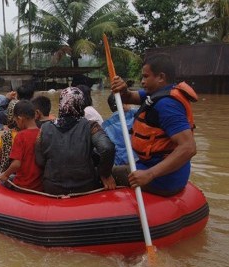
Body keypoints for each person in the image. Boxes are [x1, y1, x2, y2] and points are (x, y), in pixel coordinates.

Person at [111, 53, 198, 196]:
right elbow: (130, 96)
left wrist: (149, 174)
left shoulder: (167, 105)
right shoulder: (157, 94)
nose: (142, 81)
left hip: (163, 179)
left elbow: (189, 148)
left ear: (161, 77)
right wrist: (123, 89)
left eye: (146, 76)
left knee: (105, 174)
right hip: (152, 166)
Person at [35, 87, 116, 195]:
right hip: (86, 187)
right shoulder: (91, 126)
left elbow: (40, 160)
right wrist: (105, 173)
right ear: (81, 104)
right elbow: (107, 148)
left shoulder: (44, 128)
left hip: (53, 187)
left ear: (61, 104)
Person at [0, 100, 43, 192]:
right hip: (39, 185)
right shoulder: (42, 133)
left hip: (23, 185)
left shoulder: (21, 136)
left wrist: (5, 175)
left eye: (16, 121)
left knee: (1, 182)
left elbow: (16, 164)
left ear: (20, 119)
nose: (16, 124)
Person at [102, 93, 138, 165]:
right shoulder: (136, 116)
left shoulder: (105, 126)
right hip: (139, 160)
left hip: (120, 164)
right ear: (123, 105)